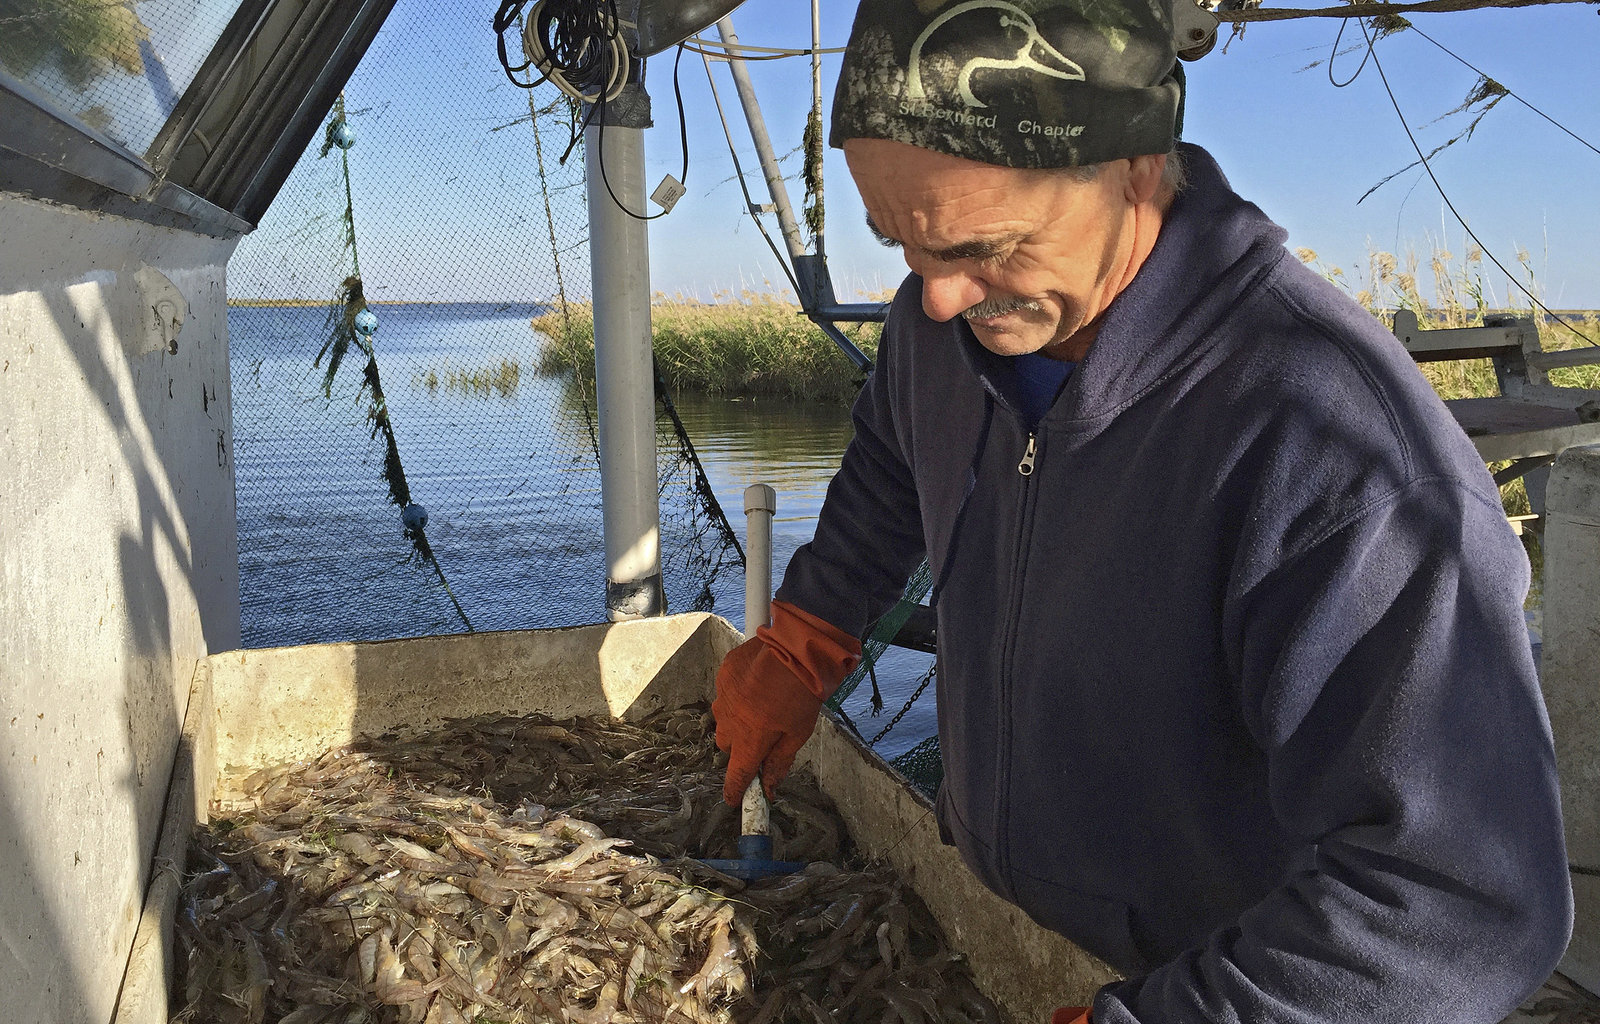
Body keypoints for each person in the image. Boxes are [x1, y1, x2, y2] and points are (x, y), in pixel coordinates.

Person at [710, 0, 1574, 1020]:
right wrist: (809, 631)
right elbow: (892, 463)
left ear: (1133, 165)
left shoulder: (1334, 452)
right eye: (901, 242)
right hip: (1005, 921)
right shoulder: (938, 330)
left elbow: (1462, 905)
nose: (938, 297)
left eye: (987, 244)